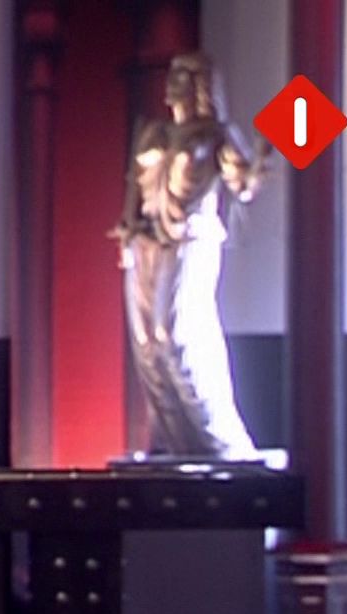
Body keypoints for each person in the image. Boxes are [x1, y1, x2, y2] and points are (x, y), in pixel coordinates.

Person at [111, 52, 271, 460]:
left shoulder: (217, 134)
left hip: (192, 240)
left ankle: (219, 439)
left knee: (178, 334)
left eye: (183, 76)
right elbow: (134, 186)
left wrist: (263, 156)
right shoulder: (154, 132)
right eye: (172, 75)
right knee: (147, 345)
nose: (172, 83)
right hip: (146, 241)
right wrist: (128, 225)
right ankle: (175, 440)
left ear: (201, 84)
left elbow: (243, 184)